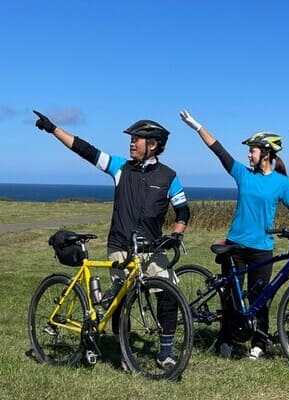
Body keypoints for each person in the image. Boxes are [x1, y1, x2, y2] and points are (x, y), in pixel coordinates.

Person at [33, 110, 190, 368]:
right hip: (121, 247)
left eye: (137, 139)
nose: (131, 142)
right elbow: (86, 150)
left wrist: (176, 234)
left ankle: (164, 353)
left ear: (153, 145)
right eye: (132, 138)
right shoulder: (120, 167)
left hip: (151, 248)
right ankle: (124, 353)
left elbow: (183, 210)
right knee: (121, 303)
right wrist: (54, 129)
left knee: (169, 295)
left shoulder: (169, 176)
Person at [180, 109, 289, 360]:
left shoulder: (281, 182)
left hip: (261, 247)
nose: (249, 154)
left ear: (266, 153)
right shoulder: (243, 174)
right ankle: (225, 339)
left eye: (253, 150)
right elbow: (219, 150)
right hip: (235, 245)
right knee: (232, 298)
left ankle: (259, 343)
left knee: (261, 297)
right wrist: (197, 126)